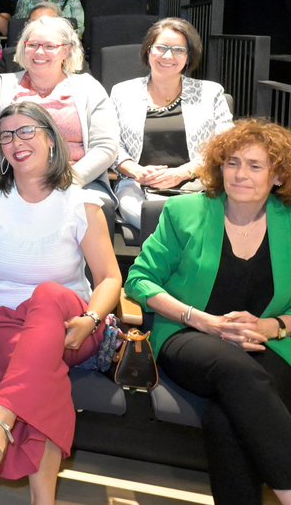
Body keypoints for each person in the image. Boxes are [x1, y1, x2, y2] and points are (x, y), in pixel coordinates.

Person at [0, 102, 121, 500]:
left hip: (70, 328)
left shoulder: (81, 202)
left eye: (26, 131)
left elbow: (111, 278)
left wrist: (92, 318)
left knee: (46, 295)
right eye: (6, 135)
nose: (16, 142)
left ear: (50, 137)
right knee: (40, 373)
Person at [124, 120, 291, 505]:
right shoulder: (184, 212)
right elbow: (140, 280)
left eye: (254, 165)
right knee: (233, 370)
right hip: (189, 337)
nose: (240, 174)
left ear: (278, 176)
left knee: (228, 416)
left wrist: (272, 326)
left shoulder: (287, 222)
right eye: (232, 163)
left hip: (270, 345)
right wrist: (201, 320)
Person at [0, 17, 119, 208]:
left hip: (78, 182)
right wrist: (12, 176)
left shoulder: (89, 88)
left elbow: (105, 145)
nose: (39, 52)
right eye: (32, 44)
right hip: (10, 180)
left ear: (66, 50)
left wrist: (69, 181)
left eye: (50, 46)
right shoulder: (0, 85)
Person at [111, 18, 233, 227]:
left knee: (192, 218)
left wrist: (182, 172)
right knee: (153, 218)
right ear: (148, 50)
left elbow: (225, 144)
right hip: (138, 185)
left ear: (188, 57)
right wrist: (135, 170)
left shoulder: (211, 92)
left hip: (197, 183)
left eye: (178, 50)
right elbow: (111, 142)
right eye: (161, 47)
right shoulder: (122, 92)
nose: (168, 56)